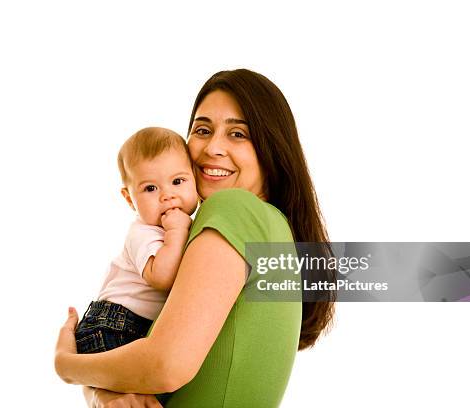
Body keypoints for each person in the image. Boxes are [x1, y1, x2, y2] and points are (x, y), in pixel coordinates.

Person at [55, 69, 336, 407]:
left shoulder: (234, 209)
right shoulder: (272, 230)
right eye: (203, 130)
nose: (213, 147)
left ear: (271, 148)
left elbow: (165, 365)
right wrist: (101, 392)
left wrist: (68, 367)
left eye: (238, 134)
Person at [75, 127, 198, 354]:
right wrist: (177, 232)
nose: (167, 195)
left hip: (135, 327)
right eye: (150, 188)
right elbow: (162, 277)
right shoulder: (144, 233)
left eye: (178, 181)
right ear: (129, 199)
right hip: (115, 325)